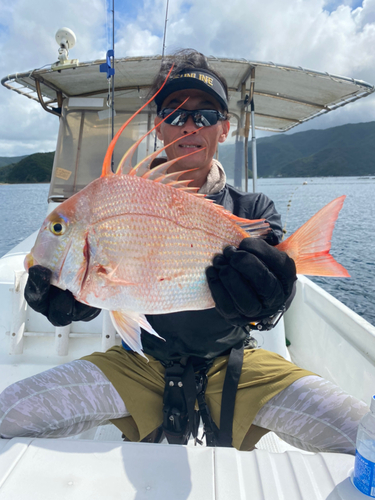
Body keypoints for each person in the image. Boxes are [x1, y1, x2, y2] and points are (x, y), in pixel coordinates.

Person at [0, 49, 368, 452]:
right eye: (174, 114)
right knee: (9, 412)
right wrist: (75, 298)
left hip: (236, 362)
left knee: (363, 433)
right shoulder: (119, 198)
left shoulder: (252, 212)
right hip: (140, 363)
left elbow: (271, 296)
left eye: (206, 115)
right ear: (159, 127)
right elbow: (114, 292)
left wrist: (272, 301)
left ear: (224, 128)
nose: (189, 125)